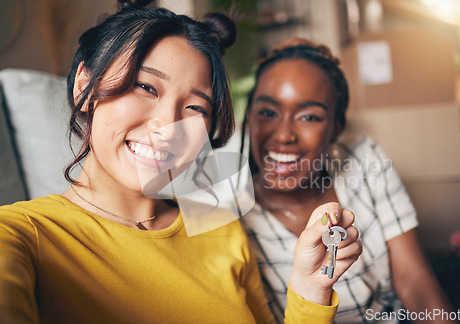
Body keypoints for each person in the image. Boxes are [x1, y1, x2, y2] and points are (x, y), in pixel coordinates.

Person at [0, 3, 363, 324]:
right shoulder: (21, 234)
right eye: (146, 87)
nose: (168, 126)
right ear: (85, 86)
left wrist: (310, 286)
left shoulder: (219, 226)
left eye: (195, 108)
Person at [240, 38, 456, 323]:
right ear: (247, 120)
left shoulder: (365, 159)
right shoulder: (229, 213)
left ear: (335, 130)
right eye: (267, 112)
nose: (283, 135)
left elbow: (413, 280)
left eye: (308, 116)